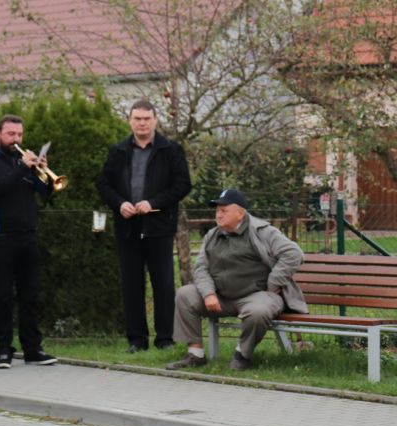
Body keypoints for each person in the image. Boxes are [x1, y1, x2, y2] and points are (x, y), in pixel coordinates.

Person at [168, 189, 306, 371]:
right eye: (217, 210)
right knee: (185, 294)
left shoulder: (262, 231)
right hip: (221, 297)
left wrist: (273, 282)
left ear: (240, 213)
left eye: (224, 210)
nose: (218, 215)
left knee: (258, 311)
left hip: (256, 295)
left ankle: (242, 354)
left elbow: (294, 254)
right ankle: (195, 354)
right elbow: (200, 268)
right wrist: (208, 294)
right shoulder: (212, 235)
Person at [97, 99, 193, 352]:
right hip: (127, 228)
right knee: (132, 285)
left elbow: (183, 184)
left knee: (163, 284)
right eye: (137, 119)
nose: (142, 123)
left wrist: (153, 202)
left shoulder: (171, 150)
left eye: (146, 119)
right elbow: (103, 185)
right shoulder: (118, 151)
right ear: (130, 121)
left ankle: (165, 338)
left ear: (155, 121)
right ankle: (137, 340)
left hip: (159, 226)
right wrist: (119, 204)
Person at [0, 115, 58, 369]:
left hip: (28, 236)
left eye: (19, 134)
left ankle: (33, 349)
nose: (16, 139)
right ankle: (3, 350)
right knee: (3, 296)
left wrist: (43, 174)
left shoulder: (23, 161)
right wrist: (22, 168)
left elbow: (45, 193)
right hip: (1, 237)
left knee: (30, 295)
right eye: (11, 134)